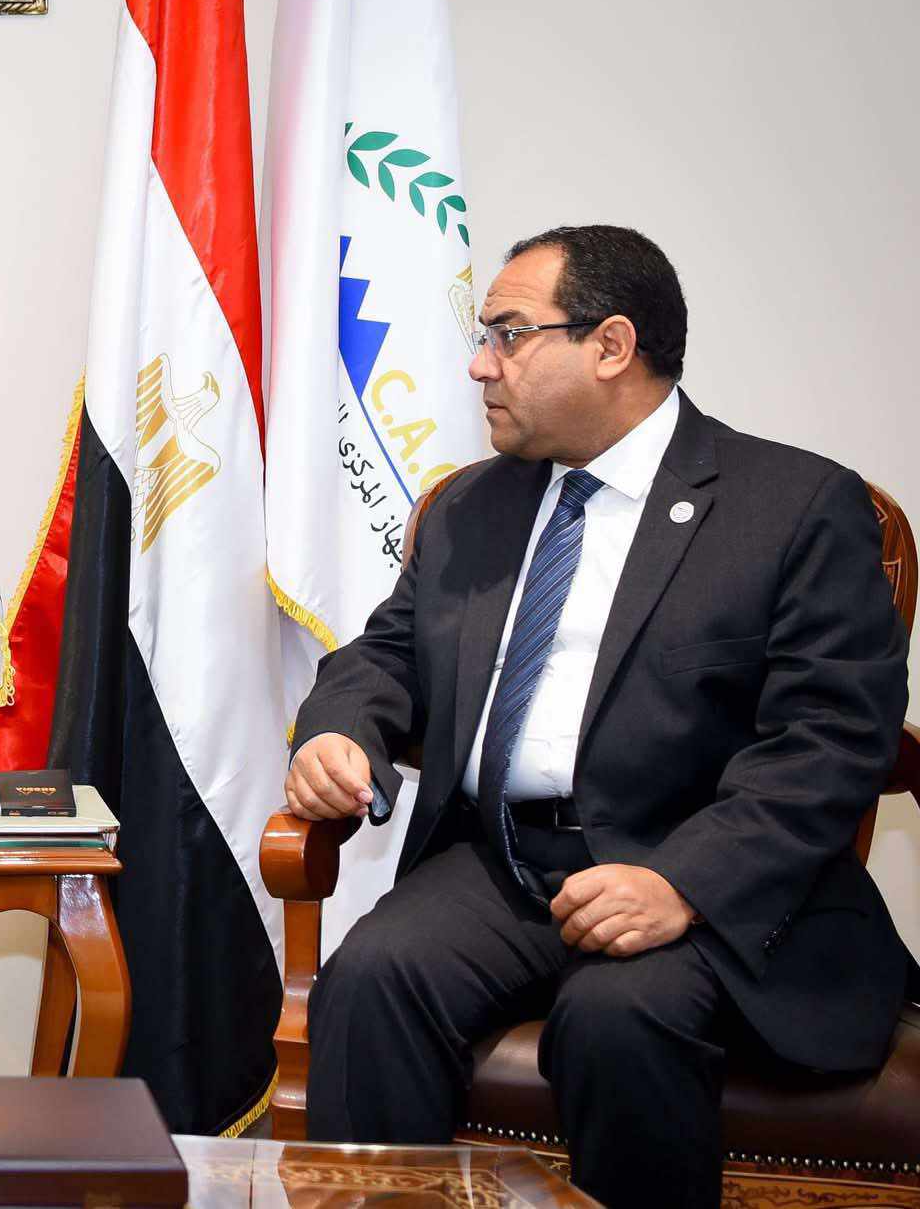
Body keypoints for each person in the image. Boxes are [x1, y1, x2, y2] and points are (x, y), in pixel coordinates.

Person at [284, 225, 911, 1209]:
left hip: (697, 871)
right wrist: (338, 727)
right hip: (504, 863)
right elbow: (387, 652)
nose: (479, 363)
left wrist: (683, 882)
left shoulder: (792, 507)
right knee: (370, 979)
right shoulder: (473, 505)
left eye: (507, 333)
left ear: (611, 346)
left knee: (617, 1018)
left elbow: (831, 739)